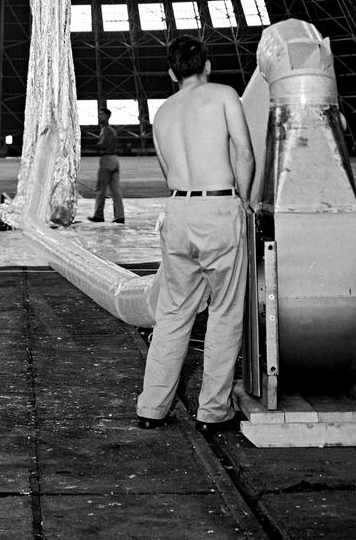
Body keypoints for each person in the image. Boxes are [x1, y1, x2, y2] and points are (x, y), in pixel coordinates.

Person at [136, 36, 254, 433]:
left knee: (171, 313)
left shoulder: (163, 112)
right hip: (217, 206)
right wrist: (246, 202)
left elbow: (168, 170)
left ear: (172, 73)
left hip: (177, 210)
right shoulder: (223, 95)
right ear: (207, 66)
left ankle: (152, 407)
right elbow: (244, 152)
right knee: (223, 312)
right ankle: (213, 410)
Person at [89, 106, 125, 223]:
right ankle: (119, 217)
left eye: (101, 115)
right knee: (115, 190)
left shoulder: (107, 130)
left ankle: (99, 216)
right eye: (99, 115)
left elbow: (103, 145)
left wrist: (85, 146)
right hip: (114, 159)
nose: (99, 117)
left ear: (107, 116)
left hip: (107, 160)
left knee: (101, 189)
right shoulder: (108, 130)